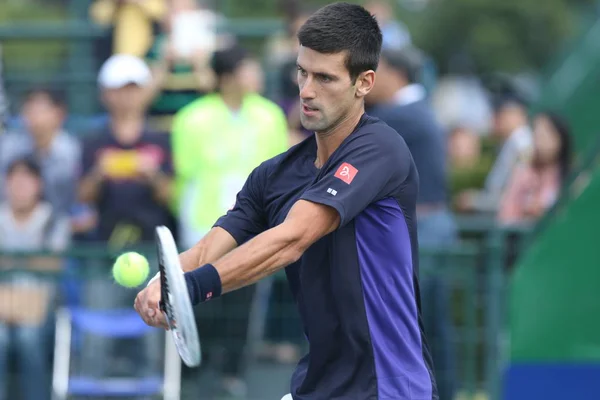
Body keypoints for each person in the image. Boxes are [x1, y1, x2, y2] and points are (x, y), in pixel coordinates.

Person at [136, 3, 438, 400]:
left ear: (364, 83)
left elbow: (291, 239)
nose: (307, 90)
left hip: (390, 387)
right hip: (318, 384)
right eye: (302, 72)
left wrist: (191, 289)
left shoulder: (381, 149)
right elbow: (213, 244)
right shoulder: (274, 174)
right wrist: (166, 279)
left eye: (325, 78)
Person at [366, 46, 456, 400]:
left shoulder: (403, 114)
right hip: (427, 226)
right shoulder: (418, 110)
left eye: (376, 71)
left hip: (423, 228)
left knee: (416, 325)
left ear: (396, 73)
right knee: (428, 325)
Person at [498, 111, 572, 225]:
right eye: (537, 134)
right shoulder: (523, 172)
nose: (540, 140)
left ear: (560, 138)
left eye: (546, 134)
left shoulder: (572, 176)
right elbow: (506, 215)